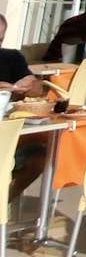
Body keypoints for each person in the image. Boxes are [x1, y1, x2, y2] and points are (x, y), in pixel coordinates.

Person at [0, 12, 46, 202]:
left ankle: (4, 203)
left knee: (39, 156)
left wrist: (29, 85)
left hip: (7, 135)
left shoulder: (11, 57)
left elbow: (38, 89)